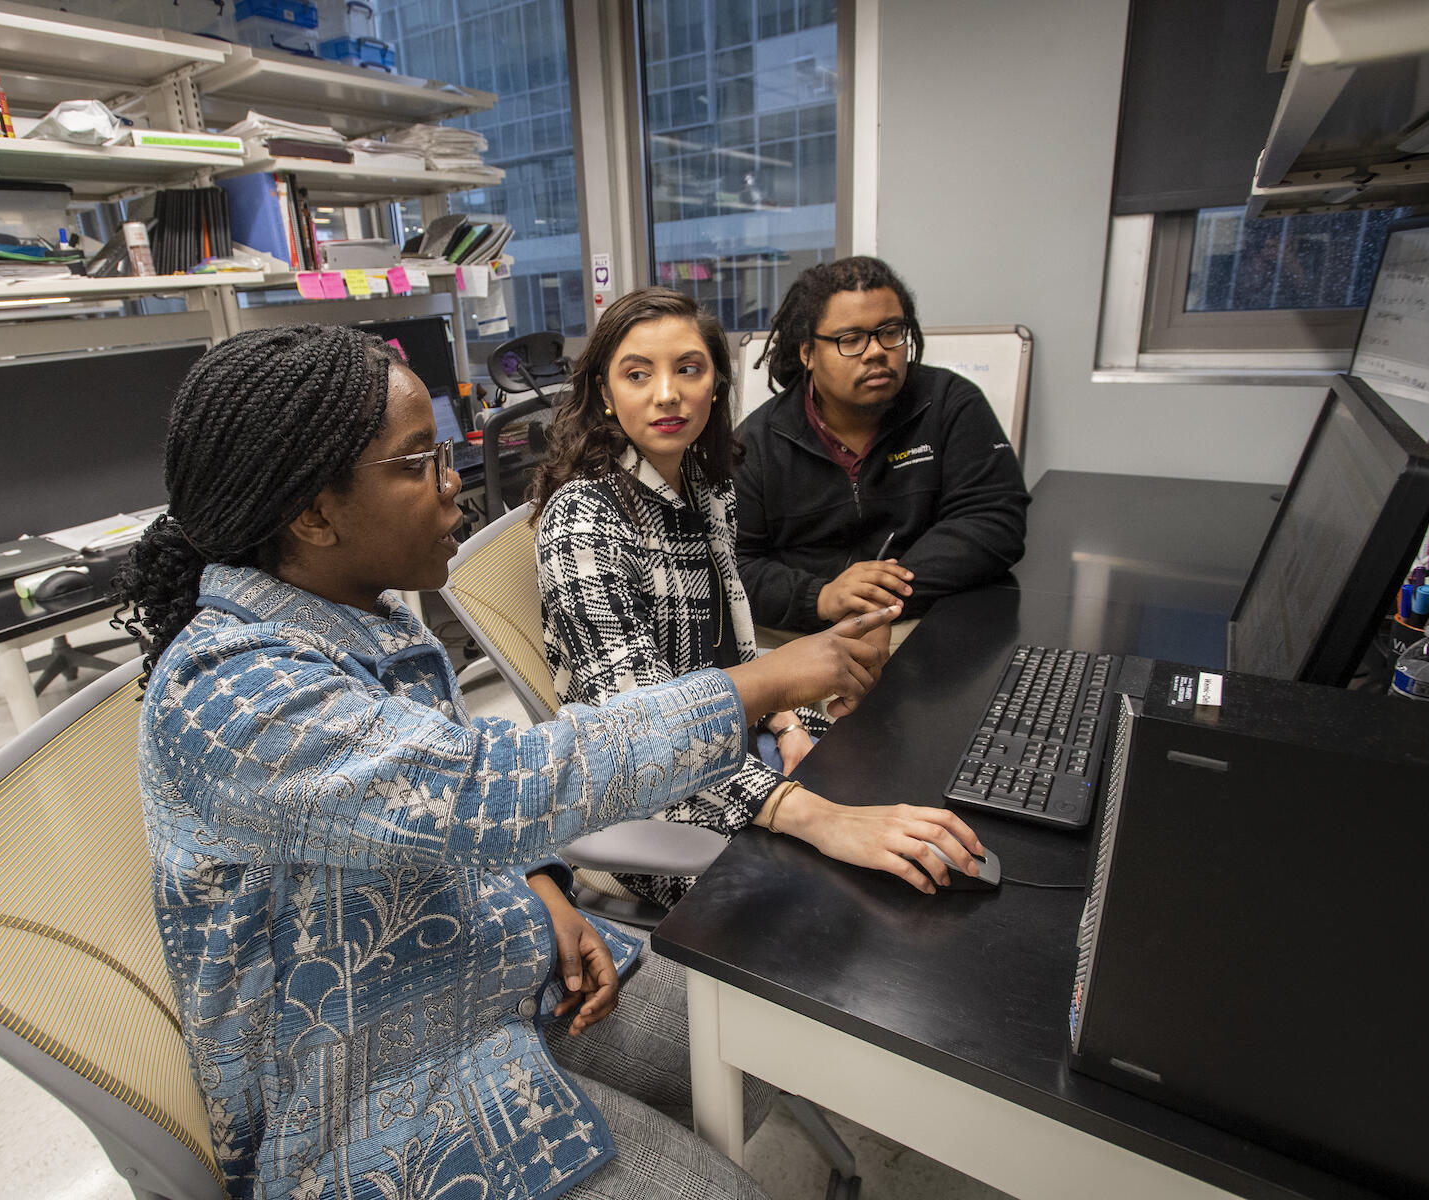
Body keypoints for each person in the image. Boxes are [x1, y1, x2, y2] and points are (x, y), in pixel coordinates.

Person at [113, 324, 963, 1200]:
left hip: (489, 969)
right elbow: (484, 785)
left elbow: (430, 798)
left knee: (779, 1028)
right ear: (312, 513)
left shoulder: (364, 621)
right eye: (418, 464)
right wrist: (753, 689)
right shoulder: (234, 691)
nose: (456, 490)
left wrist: (541, 885)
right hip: (377, 1091)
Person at [532, 287, 985, 910]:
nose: (668, 393)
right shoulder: (584, 524)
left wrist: (785, 719)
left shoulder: (704, 483)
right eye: (638, 374)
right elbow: (643, 737)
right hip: (657, 797)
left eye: (688, 369)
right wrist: (808, 813)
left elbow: (734, 649)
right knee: (868, 898)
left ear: (715, 383)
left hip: (742, 748)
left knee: (913, 783)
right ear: (606, 396)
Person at [736, 255, 1030, 637]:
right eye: (851, 339)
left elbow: (993, 519)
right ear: (808, 352)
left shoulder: (949, 404)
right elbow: (734, 564)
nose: (876, 351)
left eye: (890, 331)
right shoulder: (757, 443)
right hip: (801, 629)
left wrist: (881, 598)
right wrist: (822, 596)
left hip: (920, 618)